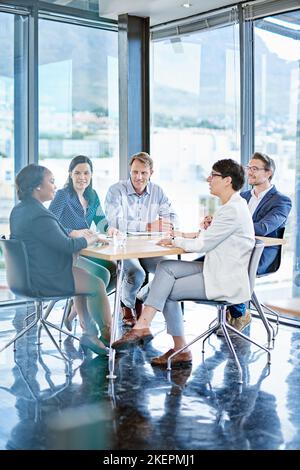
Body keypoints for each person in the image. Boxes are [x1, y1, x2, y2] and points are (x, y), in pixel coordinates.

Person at [111, 158, 255, 367]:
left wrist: (174, 240)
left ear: (227, 180)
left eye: (213, 175)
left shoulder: (232, 210)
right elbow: (211, 237)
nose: (208, 179)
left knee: (165, 287)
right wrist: (188, 232)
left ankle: (172, 343)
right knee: (165, 268)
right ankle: (147, 329)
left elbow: (202, 245)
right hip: (217, 269)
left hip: (224, 279)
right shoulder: (233, 206)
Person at [10, 163, 112, 355]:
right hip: (44, 277)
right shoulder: (40, 215)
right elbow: (67, 245)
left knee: (92, 276)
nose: (54, 186)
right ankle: (109, 337)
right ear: (37, 186)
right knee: (96, 284)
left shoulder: (19, 210)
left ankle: (89, 333)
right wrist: (88, 238)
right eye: (51, 181)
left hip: (28, 275)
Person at [217, 152, 292, 333]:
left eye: (255, 169)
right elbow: (226, 222)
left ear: (268, 173)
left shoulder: (282, 201)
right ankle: (232, 312)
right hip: (236, 250)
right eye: (248, 168)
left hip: (262, 254)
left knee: (232, 266)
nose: (249, 172)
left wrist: (232, 225)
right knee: (205, 262)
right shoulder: (241, 197)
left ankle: (239, 313)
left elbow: (264, 228)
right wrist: (214, 221)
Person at [105, 151, 179, 327]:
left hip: (149, 248)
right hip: (124, 247)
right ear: (129, 171)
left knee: (168, 271)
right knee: (136, 273)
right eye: (135, 172)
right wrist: (147, 226)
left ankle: (140, 296)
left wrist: (167, 223)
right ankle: (127, 306)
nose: (138, 177)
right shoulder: (116, 190)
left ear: (151, 173)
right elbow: (115, 221)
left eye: (143, 173)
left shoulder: (157, 191)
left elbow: (173, 217)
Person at [49, 155, 118, 332]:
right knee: (100, 275)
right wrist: (72, 232)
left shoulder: (92, 195)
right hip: (66, 254)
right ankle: (91, 326)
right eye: (77, 173)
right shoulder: (62, 195)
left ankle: (75, 309)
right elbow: (49, 224)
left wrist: (110, 230)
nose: (82, 177)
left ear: (91, 175)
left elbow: (101, 221)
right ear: (70, 174)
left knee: (114, 270)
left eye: (86, 173)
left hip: (85, 251)